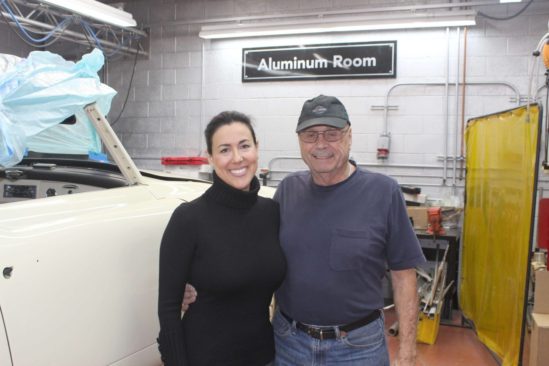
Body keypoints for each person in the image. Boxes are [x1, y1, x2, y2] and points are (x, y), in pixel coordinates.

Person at [183, 96, 425, 366]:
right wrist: (196, 283)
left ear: (349, 136)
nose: (321, 144)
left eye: (331, 134)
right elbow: (250, 252)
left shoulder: (383, 192)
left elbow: (404, 276)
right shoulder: (288, 190)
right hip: (289, 343)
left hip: (359, 348)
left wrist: (408, 351)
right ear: (299, 140)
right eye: (310, 135)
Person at [157, 111, 286, 366]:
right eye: (225, 150)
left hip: (264, 356)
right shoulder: (189, 219)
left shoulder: (272, 213)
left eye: (244, 146)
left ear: (257, 149)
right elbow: (168, 310)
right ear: (211, 157)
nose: (237, 158)